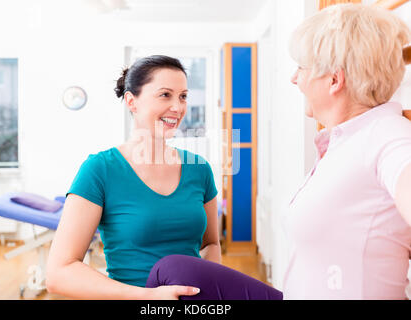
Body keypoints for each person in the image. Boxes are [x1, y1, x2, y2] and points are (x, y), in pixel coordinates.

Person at [45, 55, 282, 300]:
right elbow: (58, 274)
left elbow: (210, 244)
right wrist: (147, 296)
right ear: (131, 101)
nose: (178, 108)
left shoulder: (199, 169)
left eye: (183, 96)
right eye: (165, 95)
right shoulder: (100, 169)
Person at [285, 3, 411, 299]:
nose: (294, 78)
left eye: (301, 68)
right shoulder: (343, 140)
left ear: (334, 80)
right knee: (179, 271)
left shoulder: (388, 135)